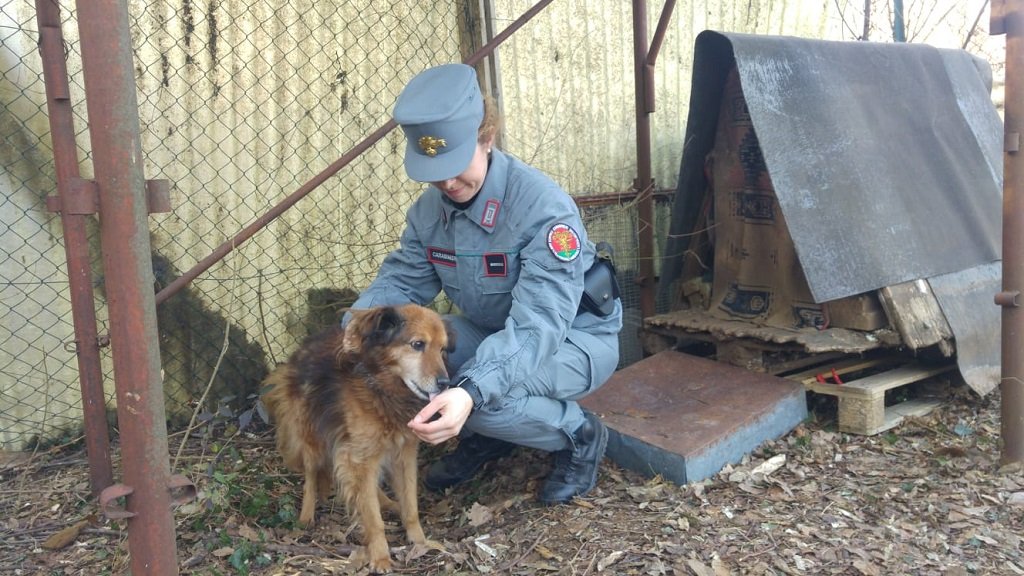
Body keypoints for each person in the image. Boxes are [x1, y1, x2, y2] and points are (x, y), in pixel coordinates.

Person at [344, 63, 622, 504]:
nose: (448, 183)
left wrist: (470, 392)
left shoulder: (542, 209)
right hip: (496, 332)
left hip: (572, 342)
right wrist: (354, 328)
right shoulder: (427, 213)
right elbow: (402, 282)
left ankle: (579, 434)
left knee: (482, 395)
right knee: (429, 359)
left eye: (456, 166)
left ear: (486, 138)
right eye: (435, 171)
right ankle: (494, 437)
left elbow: (538, 327)